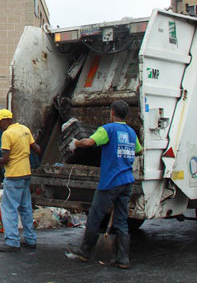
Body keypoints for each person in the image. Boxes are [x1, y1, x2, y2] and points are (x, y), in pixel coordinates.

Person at [65, 100, 142, 269]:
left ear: (112, 112)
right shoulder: (131, 132)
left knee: (95, 215)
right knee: (122, 220)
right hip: (127, 180)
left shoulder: (108, 129)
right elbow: (139, 150)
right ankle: (123, 258)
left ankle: (85, 251)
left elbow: (90, 143)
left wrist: (76, 143)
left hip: (111, 181)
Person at [0, 109, 41, 252]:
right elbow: (37, 149)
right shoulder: (24, 129)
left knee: (9, 208)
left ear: (6, 120)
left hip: (14, 175)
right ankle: (31, 240)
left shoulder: (7, 134)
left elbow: (6, 159)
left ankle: (12, 241)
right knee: (25, 207)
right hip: (26, 174)